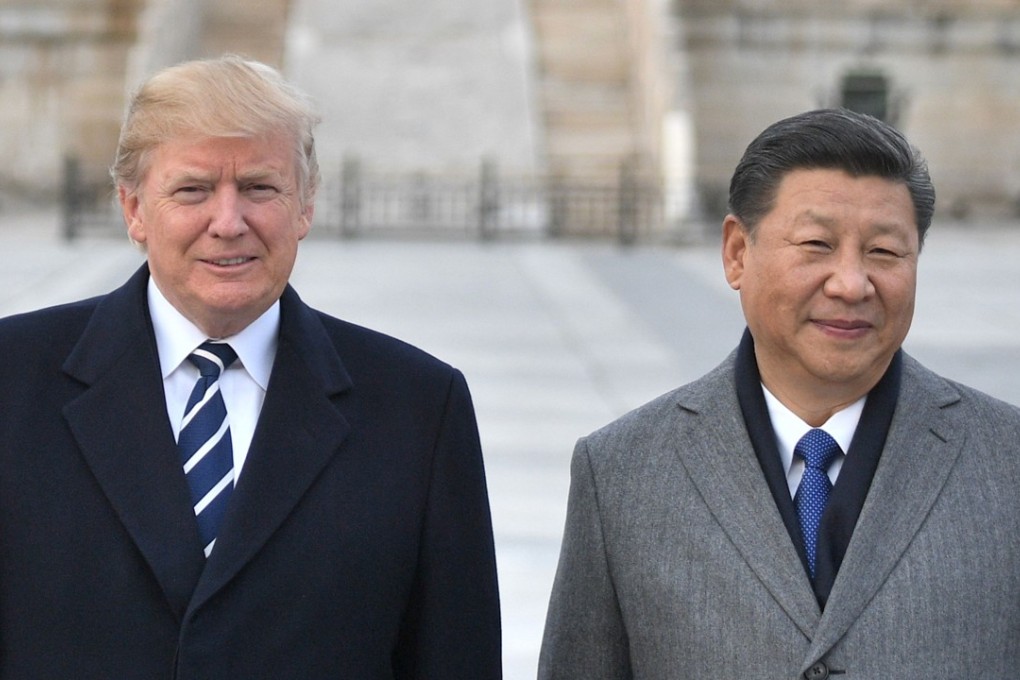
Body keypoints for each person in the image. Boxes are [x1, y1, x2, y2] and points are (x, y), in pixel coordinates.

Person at [0, 55, 501, 678]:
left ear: (305, 206)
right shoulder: (12, 380)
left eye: (261, 187)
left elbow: (453, 656)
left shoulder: (420, 408)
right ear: (133, 210)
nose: (229, 223)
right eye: (193, 190)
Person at [538, 108, 1020, 679]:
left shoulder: (1005, 461)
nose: (851, 284)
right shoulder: (622, 471)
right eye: (817, 243)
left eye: (885, 252)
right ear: (738, 253)